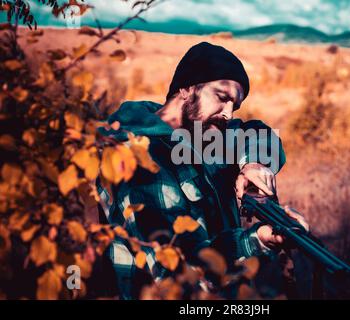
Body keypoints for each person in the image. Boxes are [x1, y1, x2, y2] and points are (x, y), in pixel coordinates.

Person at [96, 41, 309, 299]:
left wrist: (252, 163)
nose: (228, 113)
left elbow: (259, 133)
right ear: (186, 88)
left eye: (235, 105)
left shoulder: (203, 134)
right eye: (222, 98)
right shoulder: (136, 159)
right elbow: (179, 271)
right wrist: (258, 239)